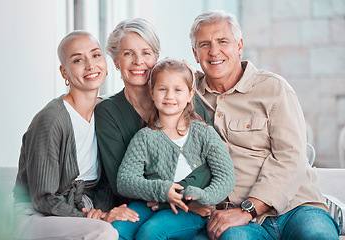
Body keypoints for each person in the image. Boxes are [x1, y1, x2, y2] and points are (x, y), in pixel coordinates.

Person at [189, 10, 340, 240]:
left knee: (317, 236)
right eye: (204, 44)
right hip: (235, 217)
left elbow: (290, 157)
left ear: (239, 45)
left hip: (296, 207)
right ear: (194, 53)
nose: (214, 51)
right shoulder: (188, 96)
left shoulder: (274, 89)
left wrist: (248, 209)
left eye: (222, 41)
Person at [13, 30, 139, 240]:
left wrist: (101, 212)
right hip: (36, 215)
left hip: (81, 210)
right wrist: (97, 218)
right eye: (78, 60)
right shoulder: (51, 120)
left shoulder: (104, 113)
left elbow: (104, 183)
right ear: (64, 73)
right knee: (105, 232)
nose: (90, 65)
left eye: (96, 55)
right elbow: (43, 199)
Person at [94, 18, 214, 218]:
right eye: (128, 54)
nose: (138, 61)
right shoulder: (107, 112)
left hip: (193, 202)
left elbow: (212, 159)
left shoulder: (182, 99)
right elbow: (119, 181)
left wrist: (179, 196)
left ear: (156, 56)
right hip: (136, 209)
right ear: (115, 60)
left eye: (146, 53)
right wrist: (167, 197)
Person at [113, 58, 235, 240]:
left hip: (190, 209)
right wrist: (162, 190)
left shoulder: (204, 133)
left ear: (190, 94)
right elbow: (125, 180)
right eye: (163, 89)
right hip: (148, 203)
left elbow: (226, 176)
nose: (170, 96)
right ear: (152, 92)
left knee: (152, 232)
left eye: (178, 90)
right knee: (118, 230)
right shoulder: (145, 137)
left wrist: (204, 196)